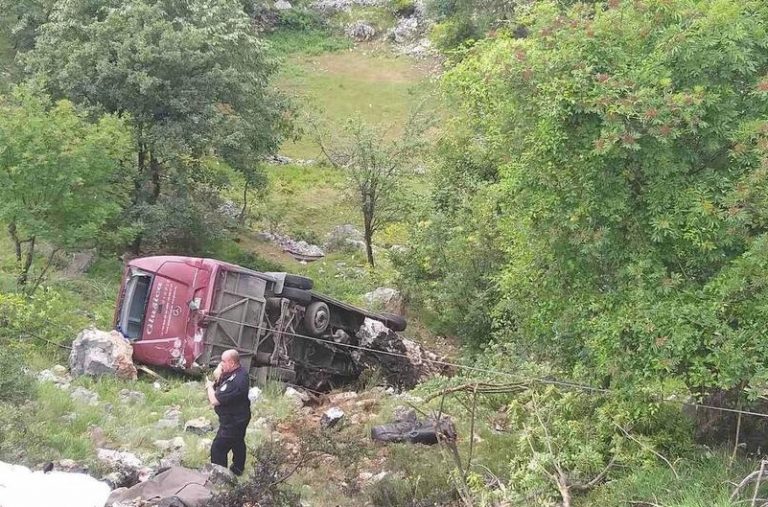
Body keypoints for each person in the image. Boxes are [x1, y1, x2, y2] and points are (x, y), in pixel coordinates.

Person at [205, 349, 251, 476]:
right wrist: (219, 371)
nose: (221, 364)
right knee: (237, 441)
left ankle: (221, 477)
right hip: (239, 416)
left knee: (218, 448)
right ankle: (238, 469)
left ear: (231, 363)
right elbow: (220, 382)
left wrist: (209, 387)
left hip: (233, 421)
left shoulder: (237, 381)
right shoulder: (237, 371)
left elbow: (215, 400)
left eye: (223, 362)